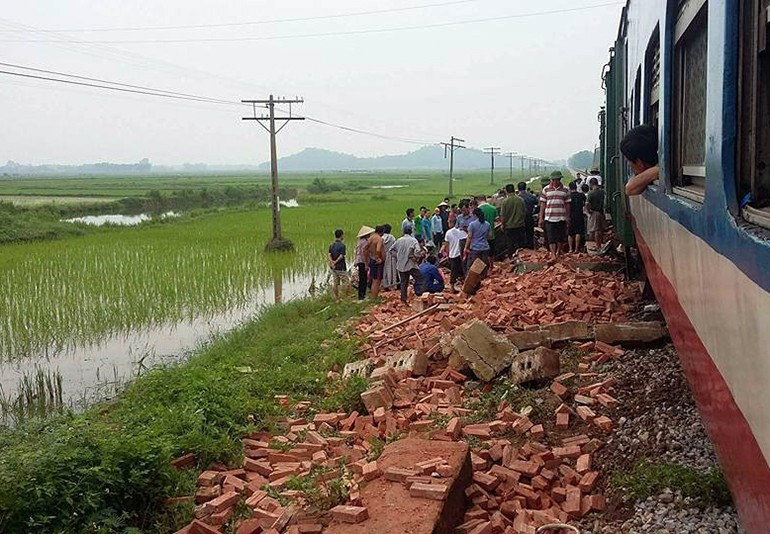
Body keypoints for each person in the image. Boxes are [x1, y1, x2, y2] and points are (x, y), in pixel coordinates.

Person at [538, 171, 571, 259]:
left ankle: (558, 252)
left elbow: (567, 204)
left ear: (560, 179)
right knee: (551, 237)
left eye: (557, 180)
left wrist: (567, 217)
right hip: (549, 217)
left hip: (561, 217)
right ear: (551, 180)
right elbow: (542, 205)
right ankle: (553, 253)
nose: (556, 181)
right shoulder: (546, 189)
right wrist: (541, 218)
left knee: (560, 237)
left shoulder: (566, 190)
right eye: (554, 180)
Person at [621, 124, 660, 196]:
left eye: (630, 163)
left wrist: (657, 170)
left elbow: (630, 189)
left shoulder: (659, 169)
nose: (631, 167)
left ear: (639, 162)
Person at [393, 227, 425, 303]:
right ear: (411, 232)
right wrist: (416, 257)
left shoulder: (399, 240)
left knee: (404, 282)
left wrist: (398, 256)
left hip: (401, 265)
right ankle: (421, 295)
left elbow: (391, 250)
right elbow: (417, 251)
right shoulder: (413, 240)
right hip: (411, 264)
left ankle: (403, 299)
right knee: (420, 279)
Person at [501, 183, 526, 258]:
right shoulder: (520, 200)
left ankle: (511, 259)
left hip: (509, 227)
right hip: (520, 225)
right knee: (521, 243)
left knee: (510, 244)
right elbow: (524, 211)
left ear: (506, 191)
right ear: (514, 190)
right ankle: (523, 258)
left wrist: (502, 225)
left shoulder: (505, 201)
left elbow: (503, 215)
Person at [464, 207, 492, 271]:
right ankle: (484, 279)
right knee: (484, 265)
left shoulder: (472, 224)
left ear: (475, 215)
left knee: (476, 267)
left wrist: (466, 247)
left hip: (475, 248)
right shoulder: (487, 224)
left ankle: (477, 279)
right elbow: (490, 235)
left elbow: (469, 237)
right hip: (485, 247)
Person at [442, 219, 466, 291]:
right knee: (462, 269)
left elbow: (447, 244)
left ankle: (452, 286)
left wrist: (448, 254)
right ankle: (463, 283)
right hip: (460, 254)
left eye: (449, 221)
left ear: (452, 222)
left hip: (453, 254)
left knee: (454, 270)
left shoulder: (448, 232)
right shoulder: (462, 232)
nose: (447, 223)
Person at [477, 195, 499, 267]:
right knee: (491, 252)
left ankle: (483, 267)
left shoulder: (478, 210)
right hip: (491, 234)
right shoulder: (493, 208)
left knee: (481, 253)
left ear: (478, 200)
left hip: (480, 236)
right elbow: (497, 220)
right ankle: (491, 266)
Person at [328, 229, 349, 300]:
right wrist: (335, 262)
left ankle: (337, 298)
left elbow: (329, 255)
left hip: (333, 267)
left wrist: (332, 263)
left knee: (335, 283)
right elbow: (341, 256)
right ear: (341, 235)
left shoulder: (331, 245)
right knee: (346, 282)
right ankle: (346, 297)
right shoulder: (342, 245)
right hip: (341, 267)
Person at [365, 225, 385, 298]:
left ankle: (373, 296)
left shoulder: (371, 238)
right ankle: (374, 297)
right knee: (377, 281)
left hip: (372, 260)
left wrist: (366, 260)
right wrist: (378, 257)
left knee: (374, 279)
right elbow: (378, 249)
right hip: (377, 262)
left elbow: (365, 249)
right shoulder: (379, 239)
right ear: (382, 231)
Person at [587, 178, 606, 250]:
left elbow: (587, 204)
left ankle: (598, 246)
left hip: (595, 212)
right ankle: (599, 245)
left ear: (591, 184)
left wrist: (589, 211)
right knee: (600, 229)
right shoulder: (602, 192)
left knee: (596, 230)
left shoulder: (591, 193)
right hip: (601, 212)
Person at [517, 182, 538, 249]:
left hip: (520, 219)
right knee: (530, 235)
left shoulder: (517, 198)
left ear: (518, 188)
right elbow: (538, 205)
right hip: (529, 217)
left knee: (521, 236)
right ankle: (531, 249)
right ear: (525, 187)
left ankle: (522, 250)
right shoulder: (532, 197)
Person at [355, 226, 374, 300]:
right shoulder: (364, 242)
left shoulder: (360, 241)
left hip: (360, 261)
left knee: (362, 279)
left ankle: (361, 295)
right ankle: (362, 296)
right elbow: (363, 253)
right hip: (362, 262)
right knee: (363, 279)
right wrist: (366, 264)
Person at [567, 181, 587, 253]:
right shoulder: (581, 195)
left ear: (569, 188)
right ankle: (576, 249)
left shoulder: (568, 196)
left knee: (570, 233)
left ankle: (570, 249)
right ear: (576, 187)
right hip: (579, 215)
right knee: (578, 232)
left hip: (571, 216)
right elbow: (585, 204)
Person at [381, 224, 399, 291]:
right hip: (391, 256)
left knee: (384, 271)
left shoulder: (382, 238)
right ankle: (393, 285)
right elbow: (395, 247)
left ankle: (384, 284)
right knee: (392, 271)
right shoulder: (392, 237)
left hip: (384, 255)